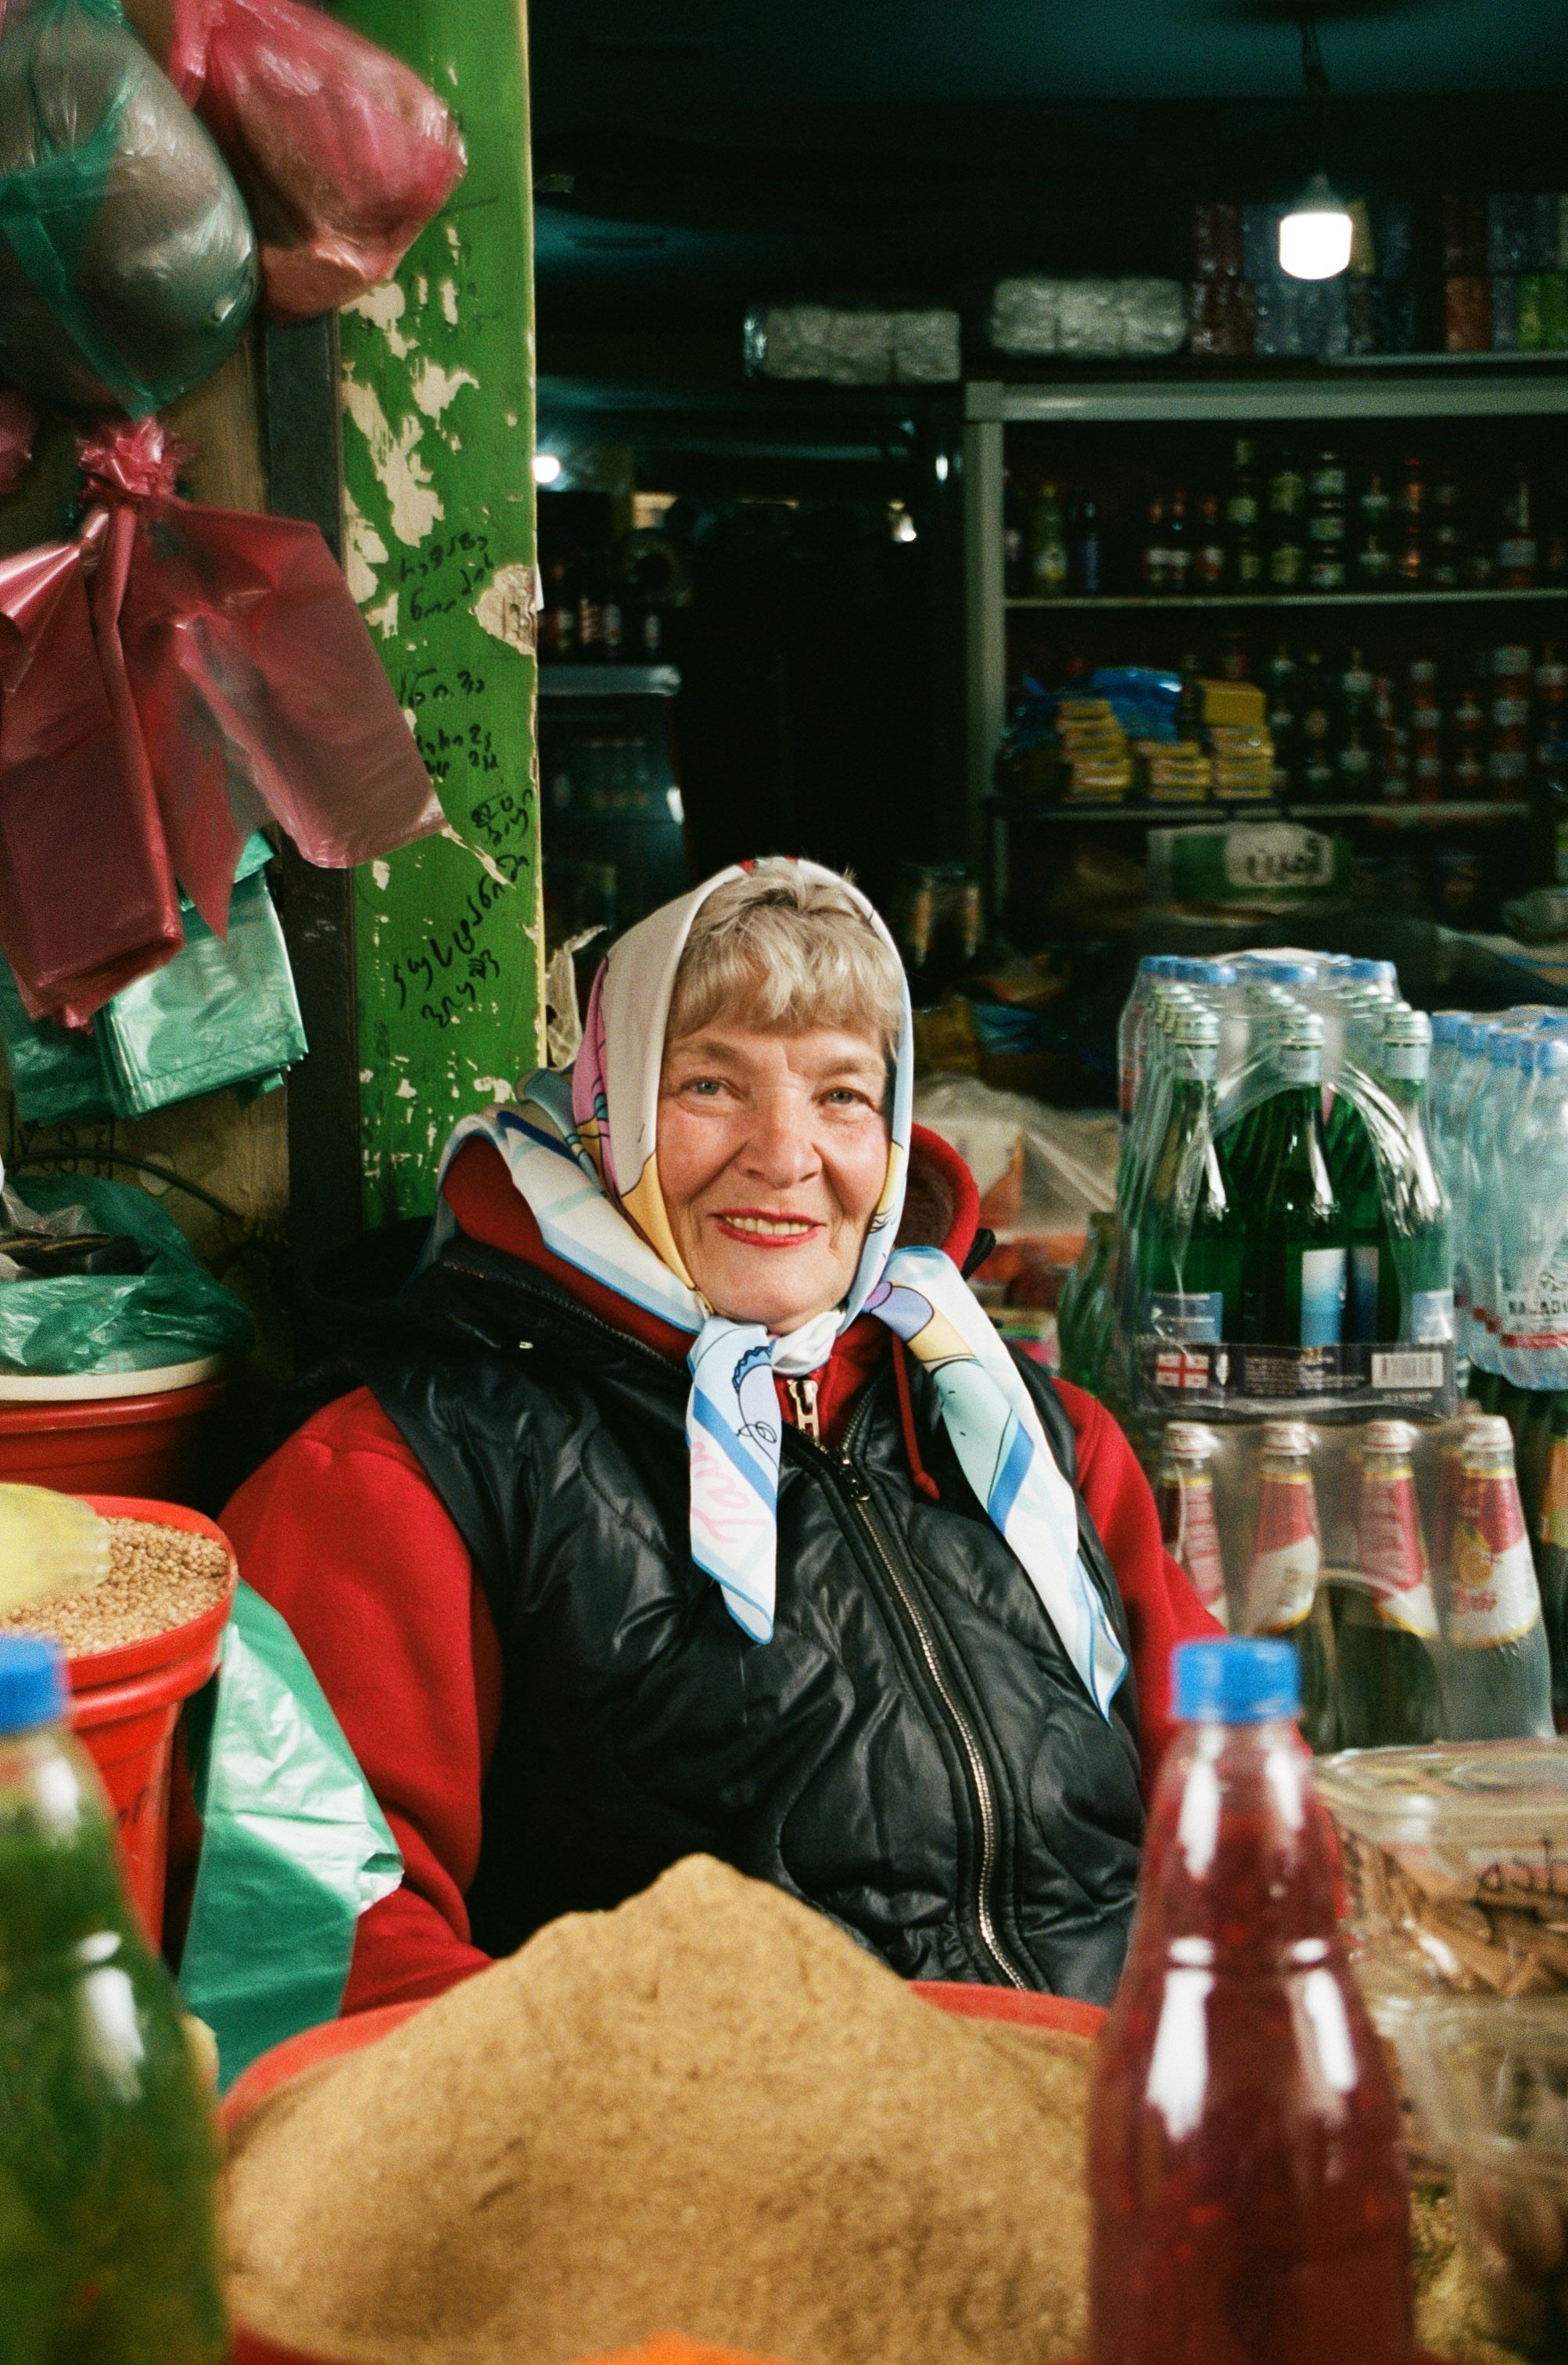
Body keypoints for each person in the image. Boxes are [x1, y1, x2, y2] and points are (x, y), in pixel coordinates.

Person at [224, 860, 1218, 2008]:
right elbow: (322, 1932)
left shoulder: (1033, 1444)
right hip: (699, 2161)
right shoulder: (401, 1471)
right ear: (604, 1110)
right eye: (708, 1085)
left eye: (842, 1094)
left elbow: (1232, 1786)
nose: (784, 1155)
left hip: (1119, 2120)